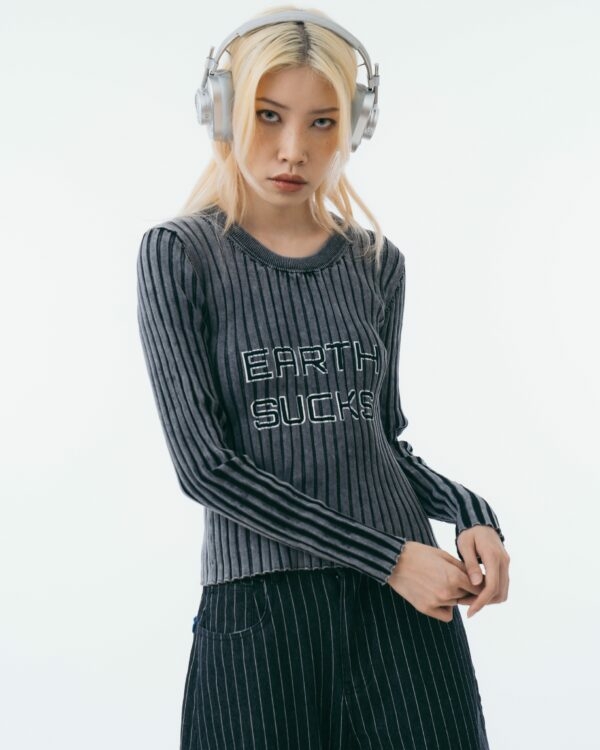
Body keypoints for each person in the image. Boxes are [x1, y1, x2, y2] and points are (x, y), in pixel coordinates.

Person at [136, 6, 510, 749]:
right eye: (268, 115)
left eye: (322, 123)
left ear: (355, 128)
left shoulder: (377, 264)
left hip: (405, 613)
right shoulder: (179, 255)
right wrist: (390, 559)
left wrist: (472, 513)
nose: (292, 149)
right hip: (261, 615)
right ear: (223, 111)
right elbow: (206, 468)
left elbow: (380, 443)